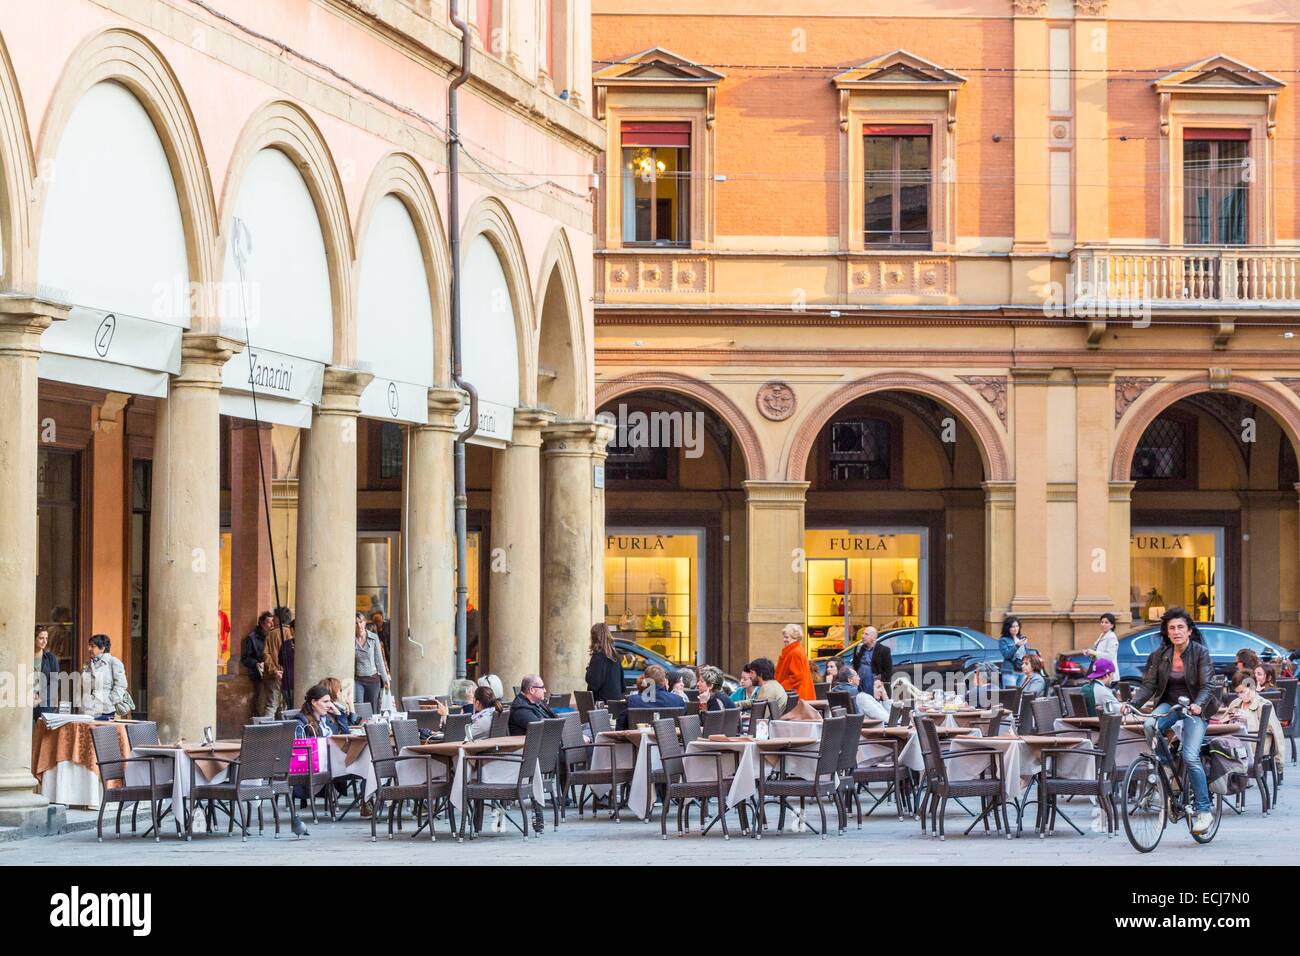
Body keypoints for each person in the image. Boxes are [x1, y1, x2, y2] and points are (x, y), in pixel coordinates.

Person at [1127, 607, 1218, 835]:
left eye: (1180, 627)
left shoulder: (1200, 653)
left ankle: (1204, 810)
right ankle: (1165, 766)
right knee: (1149, 724)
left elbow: (1208, 685)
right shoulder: (1161, 655)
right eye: (1172, 628)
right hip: (1171, 705)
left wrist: (1198, 704)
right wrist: (1132, 705)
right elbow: (1149, 685)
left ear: (1188, 631)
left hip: (1195, 708)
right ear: (1167, 633)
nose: (1176, 632)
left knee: (1189, 756)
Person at [1220, 669, 1285, 762]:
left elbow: (1277, 732)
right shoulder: (1235, 703)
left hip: (1253, 747)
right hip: (1235, 745)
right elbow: (1222, 723)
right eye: (1237, 693)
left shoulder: (1263, 704)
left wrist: (1279, 762)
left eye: (1242, 692)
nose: (1240, 695)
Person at [240, 611, 279, 718]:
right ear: (262, 624)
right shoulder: (252, 638)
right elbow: (245, 658)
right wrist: (257, 663)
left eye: (273, 623)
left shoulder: (274, 635)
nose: (272, 625)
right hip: (260, 677)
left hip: (274, 675)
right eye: (269, 623)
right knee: (262, 704)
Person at [81, 634, 128, 719]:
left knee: (102, 732)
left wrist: (110, 701)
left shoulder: (113, 662)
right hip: (87, 710)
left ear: (102, 648)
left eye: (93, 646)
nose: (89, 649)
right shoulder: (87, 664)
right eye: (89, 646)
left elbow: (121, 685)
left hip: (105, 711)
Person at [353, 611, 390, 711]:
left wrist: (385, 678)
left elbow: (379, 660)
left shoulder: (373, 638)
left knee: (373, 709)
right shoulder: (351, 639)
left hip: (373, 679)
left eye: (361, 622)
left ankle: (373, 727)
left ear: (365, 622)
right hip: (358, 680)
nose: (359, 625)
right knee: (359, 708)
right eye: (356, 623)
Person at [584, 623, 623, 702]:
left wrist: (588, 670)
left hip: (601, 704)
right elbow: (621, 683)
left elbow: (594, 684)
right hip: (615, 704)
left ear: (594, 638)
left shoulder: (598, 657)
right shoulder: (615, 656)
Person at [775, 624, 815, 701]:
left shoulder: (795, 652)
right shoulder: (796, 650)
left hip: (796, 696)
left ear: (795, 638)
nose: (784, 639)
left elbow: (797, 676)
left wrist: (781, 687)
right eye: (784, 637)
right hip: (797, 694)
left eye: (787, 637)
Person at [851, 626, 893, 690]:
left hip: (874, 686)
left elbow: (888, 671)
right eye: (863, 633)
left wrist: (878, 680)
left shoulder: (884, 650)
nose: (863, 636)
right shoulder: (858, 648)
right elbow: (855, 666)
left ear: (873, 637)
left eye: (866, 634)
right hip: (860, 686)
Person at [33, 626, 59, 719]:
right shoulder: (24, 656)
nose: (44, 641)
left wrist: (40, 698)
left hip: (45, 700)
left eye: (46, 638)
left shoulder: (51, 658)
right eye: (41, 638)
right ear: (33, 638)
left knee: (44, 730)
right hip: (25, 698)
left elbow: (54, 683)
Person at [998, 616, 1028, 688]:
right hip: (1010, 672)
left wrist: (1025, 645)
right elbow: (1006, 655)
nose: (1015, 629)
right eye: (1013, 627)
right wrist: (1017, 645)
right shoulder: (1003, 640)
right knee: (1011, 695)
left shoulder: (1021, 638)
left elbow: (1025, 655)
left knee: (1020, 694)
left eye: (1017, 626)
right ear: (1008, 628)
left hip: (1022, 671)